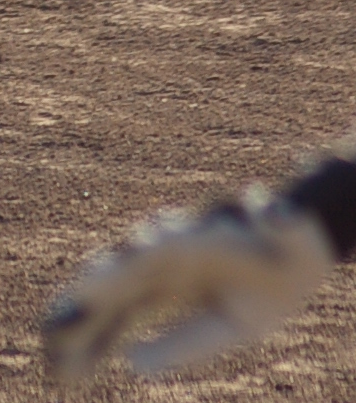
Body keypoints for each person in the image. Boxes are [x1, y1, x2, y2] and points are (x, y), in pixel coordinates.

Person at [42, 126, 356, 384]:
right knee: (204, 304)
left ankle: (85, 312)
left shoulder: (341, 172)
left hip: (280, 242)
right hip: (294, 269)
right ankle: (117, 340)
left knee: (172, 255)